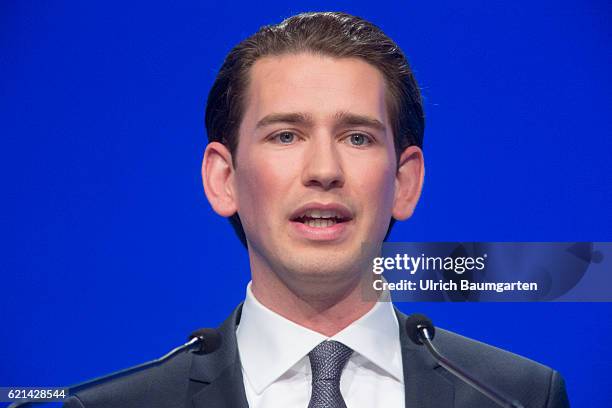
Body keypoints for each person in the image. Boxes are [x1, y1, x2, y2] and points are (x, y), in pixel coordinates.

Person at [64, 11, 569, 408]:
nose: (324, 169)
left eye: (357, 137)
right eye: (286, 135)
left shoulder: (519, 396)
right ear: (224, 179)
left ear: (403, 182)